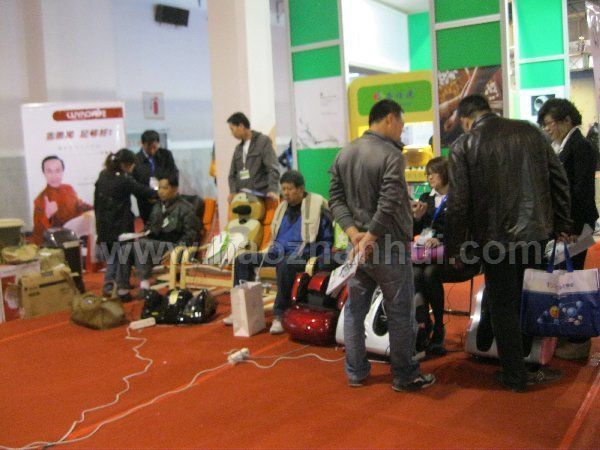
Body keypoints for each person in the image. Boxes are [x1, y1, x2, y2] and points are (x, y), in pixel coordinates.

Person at [446, 94, 572, 392]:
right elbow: (558, 178)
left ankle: (514, 374)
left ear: (466, 120)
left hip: (494, 240)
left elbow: (459, 203)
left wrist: (455, 248)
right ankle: (532, 362)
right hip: (537, 232)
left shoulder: (464, 145)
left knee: (503, 305)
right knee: (533, 297)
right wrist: (563, 223)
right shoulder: (530, 131)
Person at [329, 99, 435, 392]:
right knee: (400, 312)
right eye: (401, 123)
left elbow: (335, 200)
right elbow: (387, 203)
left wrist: (355, 234)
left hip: (359, 248)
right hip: (389, 246)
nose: (402, 130)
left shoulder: (345, 152)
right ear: (390, 118)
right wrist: (370, 236)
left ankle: (356, 372)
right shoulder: (391, 155)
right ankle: (405, 375)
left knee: (354, 310)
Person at [223, 170, 333, 334]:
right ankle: (241, 310)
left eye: (290, 189)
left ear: (301, 189)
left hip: (302, 255)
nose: (286, 193)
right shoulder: (282, 209)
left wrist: (321, 262)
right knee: (242, 259)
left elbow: (327, 240)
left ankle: (280, 315)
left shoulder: (317, 209)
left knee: (285, 264)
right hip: (277, 252)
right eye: (284, 189)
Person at [537, 98, 599, 360]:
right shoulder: (562, 146)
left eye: (549, 123)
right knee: (564, 279)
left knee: (573, 282)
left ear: (566, 120)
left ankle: (578, 340)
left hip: (576, 226)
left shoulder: (580, 146)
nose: (547, 129)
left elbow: (581, 191)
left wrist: (568, 226)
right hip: (568, 225)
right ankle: (568, 333)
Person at [412, 156, 480, 356]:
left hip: (456, 257)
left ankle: (439, 327)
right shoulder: (425, 198)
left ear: (445, 174)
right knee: (416, 272)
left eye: (433, 173)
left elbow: (465, 231)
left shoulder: (460, 199)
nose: (429, 177)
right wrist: (416, 219)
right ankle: (423, 323)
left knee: (430, 273)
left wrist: (440, 240)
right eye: (428, 174)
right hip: (426, 255)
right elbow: (415, 232)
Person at [119, 174, 201, 299]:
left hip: (176, 249)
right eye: (159, 188)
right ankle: (123, 290)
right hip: (156, 248)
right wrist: (142, 234)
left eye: (165, 188)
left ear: (175, 189)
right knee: (126, 248)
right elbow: (150, 226)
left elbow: (191, 236)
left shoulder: (186, 209)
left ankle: (145, 286)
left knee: (142, 245)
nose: (160, 191)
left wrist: (176, 250)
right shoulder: (158, 206)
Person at [94, 149, 157, 297]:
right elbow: (142, 191)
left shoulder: (103, 175)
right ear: (127, 164)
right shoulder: (123, 180)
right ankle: (114, 287)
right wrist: (159, 193)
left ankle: (113, 285)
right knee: (121, 255)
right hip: (119, 224)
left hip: (103, 223)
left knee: (114, 255)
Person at [32, 155, 93, 245]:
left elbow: (79, 205)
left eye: (58, 171)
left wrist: (96, 207)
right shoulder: (40, 200)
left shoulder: (68, 189)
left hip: (78, 237)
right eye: (49, 171)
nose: (54, 176)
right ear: (44, 173)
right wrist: (47, 215)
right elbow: (38, 234)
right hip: (58, 243)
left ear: (62, 171)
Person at [227, 112, 280, 201]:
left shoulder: (263, 141)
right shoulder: (238, 149)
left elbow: (273, 168)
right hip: (243, 198)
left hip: (261, 196)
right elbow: (232, 175)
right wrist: (233, 192)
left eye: (232, 129)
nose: (232, 133)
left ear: (241, 126)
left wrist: (273, 190)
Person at [132, 130, 178, 224]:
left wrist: (167, 188)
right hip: (146, 202)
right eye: (149, 147)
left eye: (155, 147)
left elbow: (174, 172)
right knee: (151, 227)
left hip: (166, 199)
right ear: (143, 144)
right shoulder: (136, 160)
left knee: (169, 226)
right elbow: (134, 185)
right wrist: (149, 195)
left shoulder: (166, 155)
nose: (152, 150)